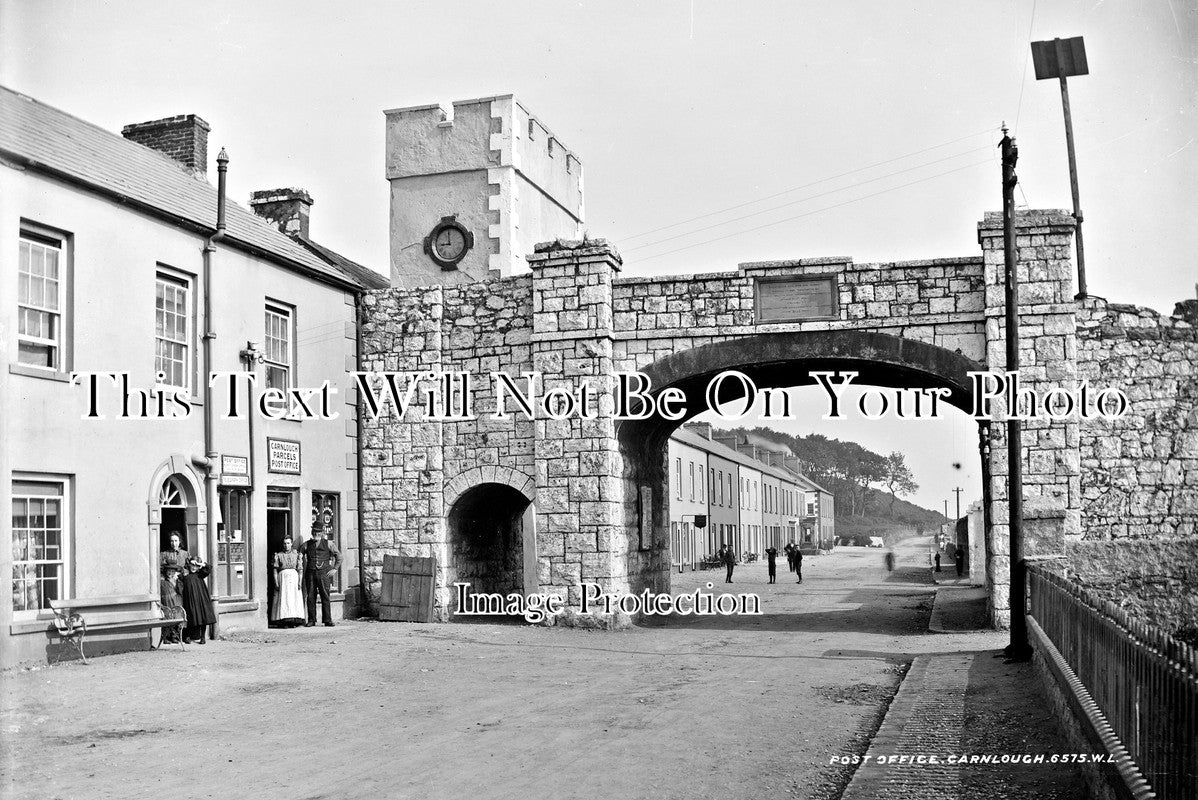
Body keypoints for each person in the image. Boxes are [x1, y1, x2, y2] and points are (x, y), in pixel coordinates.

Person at [301, 521, 341, 627]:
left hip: (324, 573)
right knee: (310, 596)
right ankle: (311, 620)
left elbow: (339, 557)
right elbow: (298, 556)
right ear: (312, 531)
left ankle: (327, 619)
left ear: (322, 532)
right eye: (314, 531)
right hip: (310, 573)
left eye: (318, 532)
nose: (316, 533)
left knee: (325, 596)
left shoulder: (329, 544)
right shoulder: (305, 545)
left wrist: (335, 569)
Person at [178, 557, 216, 644]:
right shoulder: (185, 574)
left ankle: (202, 637)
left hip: (200, 597)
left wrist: (200, 565)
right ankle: (187, 636)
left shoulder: (200, 574)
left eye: (196, 566)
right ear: (189, 565)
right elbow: (178, 578)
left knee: (203, 616)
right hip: (189, 598)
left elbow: (209, 567)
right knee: (189, 615)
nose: (194, 568)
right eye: (192, 565)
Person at [271, 535, 305, 628]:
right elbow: (275, 571)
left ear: (291, 544)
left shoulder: (296, 555)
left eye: (288, 543)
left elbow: (300, 569)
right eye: (285, 543)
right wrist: (276, 583)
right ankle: (284, 621)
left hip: (294, 578)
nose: (286, 545)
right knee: (284, 598)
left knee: (293, 598)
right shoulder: (279, 555)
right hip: (283, 579)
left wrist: (299, 582)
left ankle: (293, 621)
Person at [158, 565, 186, 644]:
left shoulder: (177, 581)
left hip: (176, 601)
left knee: (176, 617)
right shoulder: (163, 581)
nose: (170, 573)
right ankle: (166, 637)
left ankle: (174, 636)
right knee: (167, 618)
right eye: (169, 571)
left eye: (173, 572)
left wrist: (177, 581)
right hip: (167, 601)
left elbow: (180, 591)